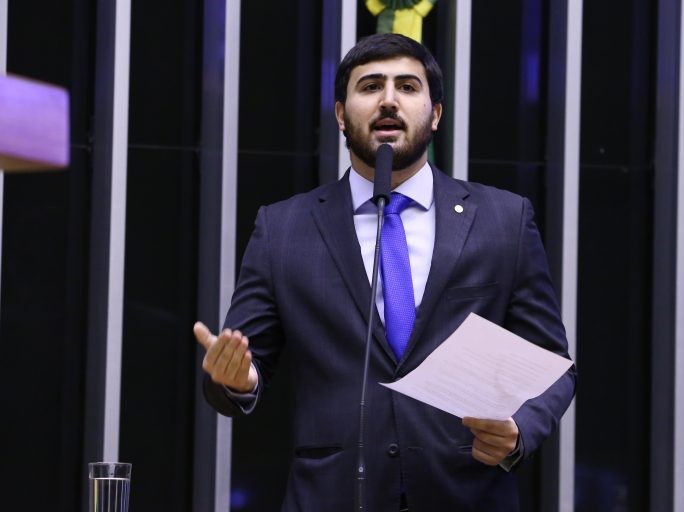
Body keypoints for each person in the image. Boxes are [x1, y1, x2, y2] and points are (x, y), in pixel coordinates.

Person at [194, 33, 576, 511]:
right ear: (340, 114)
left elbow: (550, 362)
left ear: (435, 114)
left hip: (466, 494)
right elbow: (246, 366)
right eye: (371, 86)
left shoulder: (503, 220)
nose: (389, 100)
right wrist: (236, 377)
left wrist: (519, 429)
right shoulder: (283, 228)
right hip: (332, 497)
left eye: (408, 87)